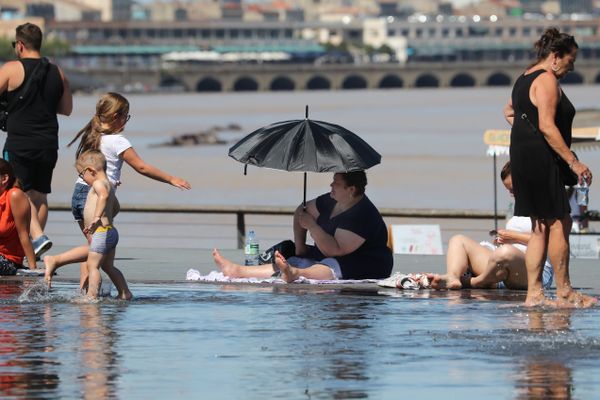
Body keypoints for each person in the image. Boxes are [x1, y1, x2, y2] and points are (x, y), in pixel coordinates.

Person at [503, 27, 597, 307]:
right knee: (559, 222)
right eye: (570, 60)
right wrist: (574, 161)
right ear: (555, 56)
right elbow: (546, 125)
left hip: (524, 157)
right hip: (541, 160)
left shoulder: (524, 77)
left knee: (539, 227)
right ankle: (564, 291)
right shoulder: (545, 80)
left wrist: (525, 135)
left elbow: (509, 111)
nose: (572, 66)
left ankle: (534, 294)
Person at [66, 92, 191, 289]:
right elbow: (141, 167)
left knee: (94, 250)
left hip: (80, 192)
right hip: (96, 197)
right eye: (126, 116)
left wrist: (110, 179)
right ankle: (86, 296)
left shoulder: (94, 135)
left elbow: (90, 167)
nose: (127, 120)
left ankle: (84, 294)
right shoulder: (118, 141)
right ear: (116, 117)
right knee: (97, 252)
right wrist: (171, 179)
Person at [213, 171, 393, 282]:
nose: (331, 184)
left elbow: (335, 250)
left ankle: (296, 274)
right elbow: (302, 210)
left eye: (336, 182)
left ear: (351, 189)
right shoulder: (330, 200)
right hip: (330, 254)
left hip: (368, 262)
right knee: (295, 260)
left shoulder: (362, 213)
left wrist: (313, 227)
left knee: (330, 264)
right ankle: (238, 270)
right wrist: (300, 245)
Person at [0, 22, 72, 256]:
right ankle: (34, 246)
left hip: (20, 141)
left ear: (20, 45)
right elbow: (66, 109)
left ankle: (37, 237)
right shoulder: (57, 72)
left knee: (16, 190)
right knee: (39, 195)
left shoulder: (11, 69)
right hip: (48, 142)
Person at [429, 162, 554, 290]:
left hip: (537, 271)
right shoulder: (519, 207)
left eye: (513, 189)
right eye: (508, 189)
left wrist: (513, 237)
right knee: (458, 240)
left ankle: (476, 281)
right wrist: (502, 240)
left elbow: (551, 241)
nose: (511, 193)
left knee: (506, 252)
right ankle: (453, 277)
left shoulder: (546, 204)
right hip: (504, 269)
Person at [45, 151, 131, 300]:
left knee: (92, 266)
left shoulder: (98, 184)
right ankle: (124, 293)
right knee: (108, 267)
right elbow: (116, 207)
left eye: (81, 175)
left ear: (91, 170)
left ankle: (92, 296)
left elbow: (103, 197)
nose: (82, 178)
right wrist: (106, 217)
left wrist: (97, 217)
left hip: (101, 233)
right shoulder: (109, 184)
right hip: (110, 231)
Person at [0, 159, 38, 274]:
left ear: (4, 179)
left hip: (9, 261)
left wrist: (33, 270)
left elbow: (24, 235)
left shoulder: (14, 195)